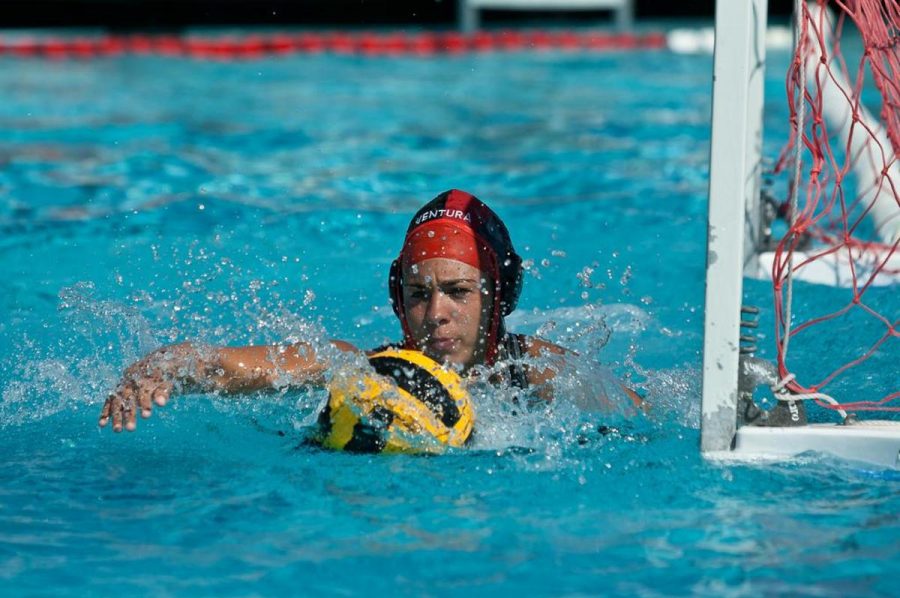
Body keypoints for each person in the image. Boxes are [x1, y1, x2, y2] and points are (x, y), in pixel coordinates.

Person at [99, 189, 641, 433]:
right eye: (419, 294)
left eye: (458, 291)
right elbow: (229, 364)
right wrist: (166, 366)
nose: (436, 315)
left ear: (501, 296)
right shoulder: (360, 369)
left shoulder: (538, 374)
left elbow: (657, 418)